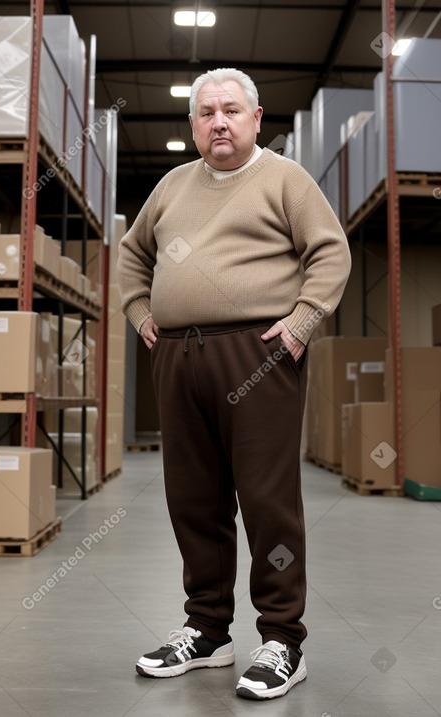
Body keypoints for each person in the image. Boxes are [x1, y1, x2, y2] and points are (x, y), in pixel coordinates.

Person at [117, 67, 351, 701]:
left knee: (267, 499)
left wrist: (302, 324)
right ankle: (208, 630)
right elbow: (133, 253)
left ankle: (282, 638)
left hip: (259, 356)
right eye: (206, 113)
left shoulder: (284, 179)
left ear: (255, 118)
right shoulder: (169, 186)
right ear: (193, 125)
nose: (218, 121)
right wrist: (141, 314)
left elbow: (331, 251)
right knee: (193, 498)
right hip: (178, 354)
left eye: (231, 110)